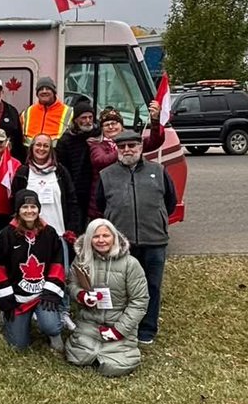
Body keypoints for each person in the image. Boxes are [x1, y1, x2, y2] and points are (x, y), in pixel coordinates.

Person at [95, 130, 177, 345]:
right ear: (117, 149)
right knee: (121, 288)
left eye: (132, 145)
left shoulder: (158, 171)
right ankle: (124, 327)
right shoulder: (107, 175)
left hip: (154, 241)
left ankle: (147, 329)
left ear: (141, 148)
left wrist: (156, 220)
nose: (127, 150)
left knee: (151, 286)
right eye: (122, 147)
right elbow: (101, 205)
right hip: (122, 244)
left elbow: (170, 202)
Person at [65, 219, 150, 377]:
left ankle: (113, 348)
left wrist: (119, 330)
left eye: (106, 235)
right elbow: (71, 284)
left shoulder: (131, 264)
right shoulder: (81, 260)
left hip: (118, 321)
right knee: (76, 357)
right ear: (89, 238)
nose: (101, 240)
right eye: (96, 236)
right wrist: (81, 295)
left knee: (116, 366)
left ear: (114, 237)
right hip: (89, 320)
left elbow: (139, 302)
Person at [0, 189, 67, 352]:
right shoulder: (6, 235)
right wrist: (6, 300)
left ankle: (54, 333)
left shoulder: (49, 233)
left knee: (51, 326)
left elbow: (58, 264)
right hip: (17, 297)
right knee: (18, 346)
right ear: (18, 210)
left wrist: (51, 292)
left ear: (38, 209)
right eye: (25, 207)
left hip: (42, 294)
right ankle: (9, 317)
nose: (29, 211)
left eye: (33, 206)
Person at [87, 104, 165, 220]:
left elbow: (155, 141)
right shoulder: (96, 144)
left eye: (114, 123)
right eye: (107, 125)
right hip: (106, 200)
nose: (111, 127)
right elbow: (100, 161)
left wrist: (155, 120)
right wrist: (124, 150)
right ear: (102, 128)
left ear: (121, 125)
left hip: (130, 197)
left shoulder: (133, 140)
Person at [10, 134, 80, 238]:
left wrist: (72, 229)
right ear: (32, 147)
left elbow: (72, 201)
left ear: (51, 149)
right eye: (38, 145)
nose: (41, 148)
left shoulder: (60, 171)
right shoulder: (23, 172)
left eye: (46, 146)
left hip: (59, 232)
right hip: (30, 235)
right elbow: (15, 203)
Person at [55, 101, 97, 224]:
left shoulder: (98, 135)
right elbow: (62, 168)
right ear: (76, 120)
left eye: (90, 117)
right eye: (83, 118)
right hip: (75, 190)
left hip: (93, 190)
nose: (88, 121)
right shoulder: (66, 140)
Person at [21, 76, 71, 145]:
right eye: (41, 89)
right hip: (30, 153)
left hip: (57, 153)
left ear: (54, 92)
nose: (44, 91)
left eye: (48, 89)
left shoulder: (69, 112)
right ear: (37, 93)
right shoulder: (27, 112)